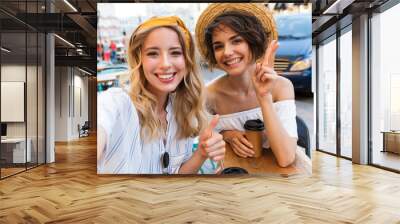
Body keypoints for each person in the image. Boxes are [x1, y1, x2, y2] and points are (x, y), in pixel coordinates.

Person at [97, 16, 225, 174]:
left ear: (187, 60)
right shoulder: (117, 103)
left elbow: (176, 175)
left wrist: (201, 153)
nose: (165, 64)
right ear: (140, 59)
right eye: (153, 53)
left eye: (175, 53)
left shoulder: (183, 109)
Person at [195, 3, 297, 167]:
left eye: (236, 41)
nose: (227, 52)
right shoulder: (209, 95)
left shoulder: (282, 87)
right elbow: (200, 137)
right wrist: (227, 134)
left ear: (253, 42)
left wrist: (264, 97)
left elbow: (286, 159)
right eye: (218, 46)